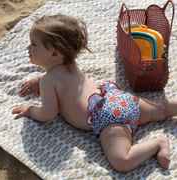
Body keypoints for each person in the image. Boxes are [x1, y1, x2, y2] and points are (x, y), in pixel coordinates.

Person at [12, 14, 175, 172]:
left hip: (108, 120)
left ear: (54, 54)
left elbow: (48, 113)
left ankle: (158, 144)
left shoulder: (48, 81)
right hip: (118, 99)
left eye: (33, 44)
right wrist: (39, 78)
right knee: (163, 109)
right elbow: (60, 78)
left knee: (122, 162)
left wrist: (31, 110)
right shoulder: (70, 65)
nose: (28, 48)